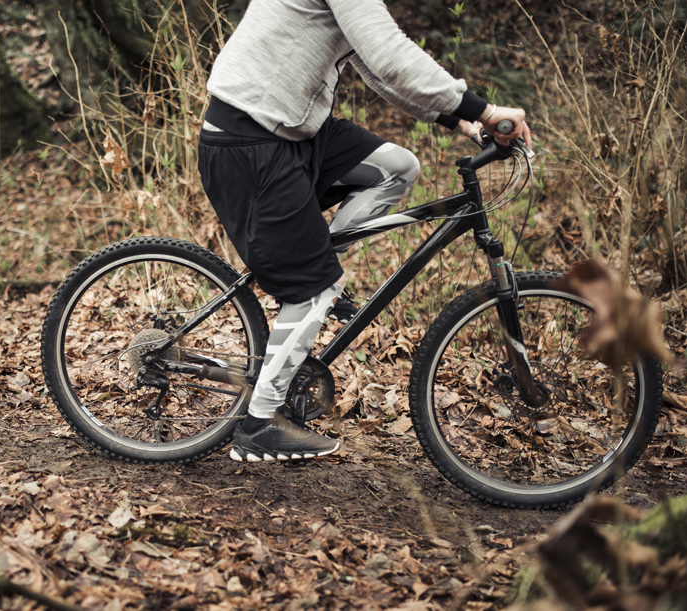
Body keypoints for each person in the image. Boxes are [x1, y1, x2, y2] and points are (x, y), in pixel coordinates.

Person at [197, 0, 533, 462]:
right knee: (313, 290)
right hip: (249, 142)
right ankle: (260, 423)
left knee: (396, 168)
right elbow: (392, 59)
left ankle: (315, 275)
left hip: (292, 131)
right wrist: (486, 108)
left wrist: (466, 122)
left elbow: (376, 68)